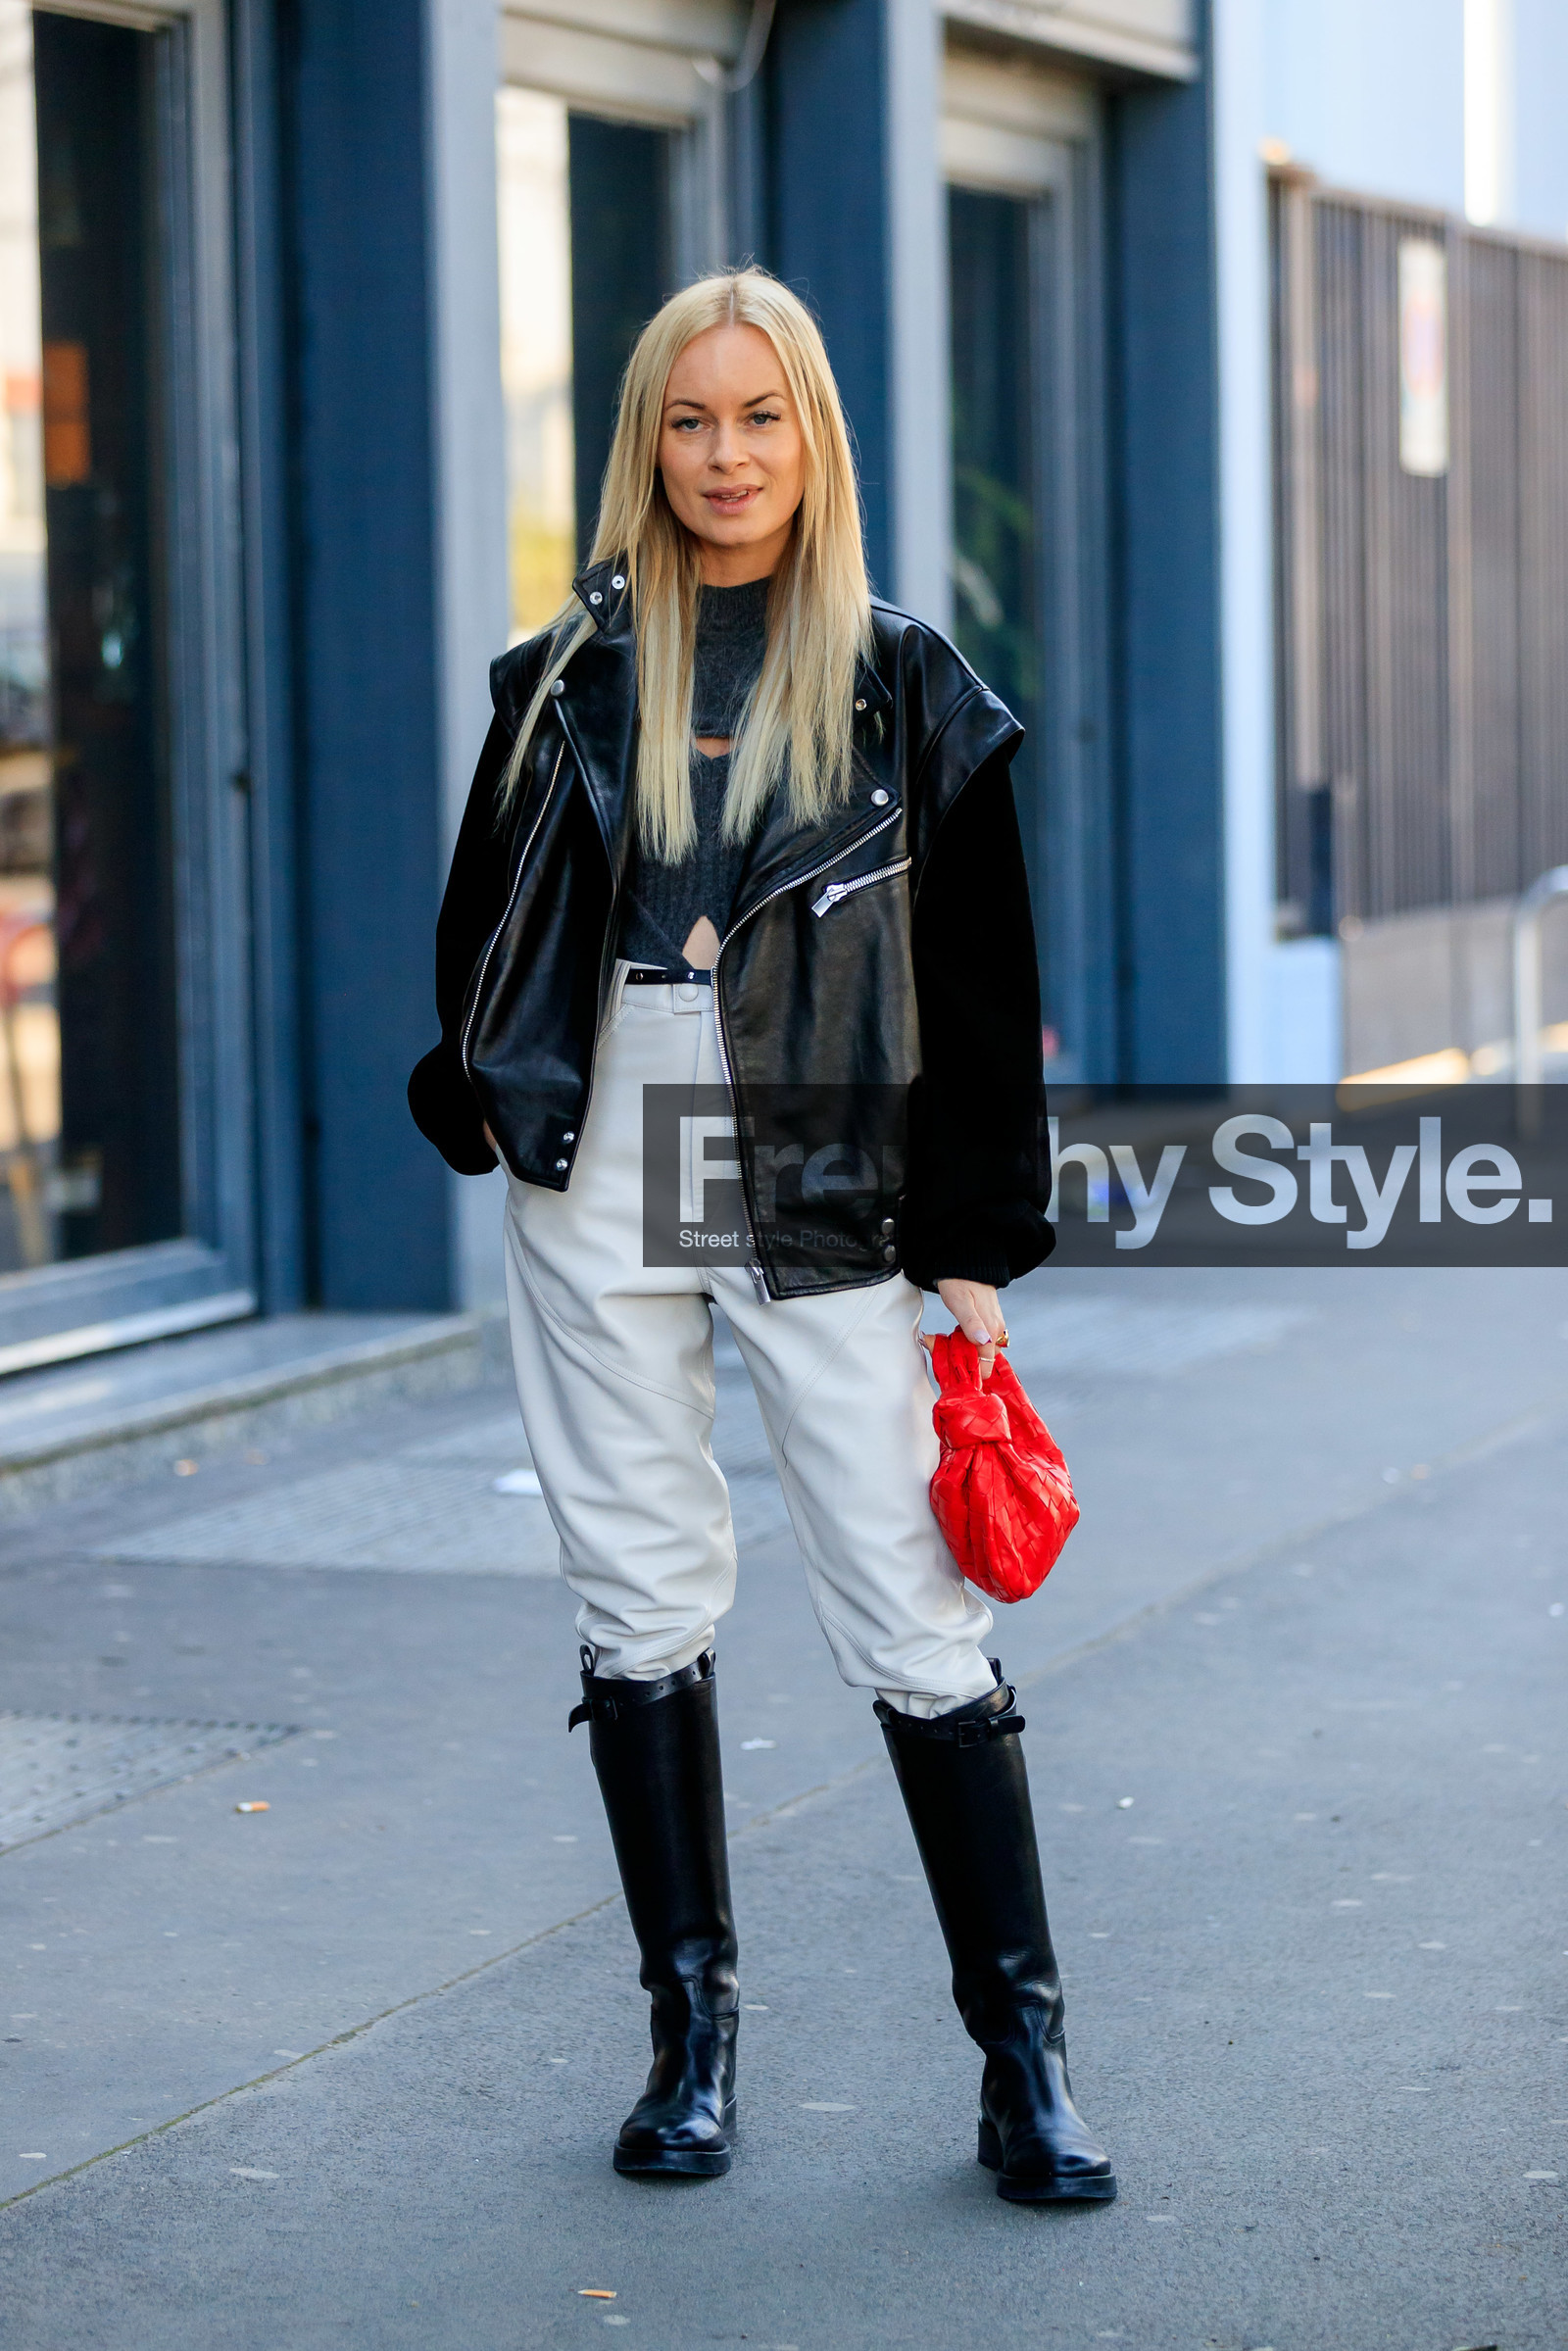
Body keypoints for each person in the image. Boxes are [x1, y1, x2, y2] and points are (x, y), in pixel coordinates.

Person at [409, 269, 1114, 2205]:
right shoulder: (565, 672)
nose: (725, 456)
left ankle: (1023, 2062)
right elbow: (486, 911)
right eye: (689, 420)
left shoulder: (903, 681)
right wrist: (476, 1077)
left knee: (905, 1588)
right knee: (637, 1584)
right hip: (603, 1128)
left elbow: (984, 986)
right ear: (647, 441)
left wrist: (973, 1234)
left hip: (814, 1127)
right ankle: (690, 2042)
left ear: (813, 435)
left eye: (759, 416)